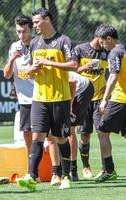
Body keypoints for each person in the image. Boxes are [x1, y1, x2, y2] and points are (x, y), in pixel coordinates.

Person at [17, 8, 77, 190]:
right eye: (33, 22)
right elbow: (26, 72)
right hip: (39, 98)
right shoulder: (34, 43)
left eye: (36, 22)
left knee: (60, 138)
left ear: (48, 19)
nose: (34, 25)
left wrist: (50, 63)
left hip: (59, 98)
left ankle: (66, 176)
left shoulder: (63, 41)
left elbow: (73, 65)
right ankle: (31, 176)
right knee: (37, 137)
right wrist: (32, 70)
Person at [3, 15, 61, 186]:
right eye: (18, 31)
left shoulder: (40, 44)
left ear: (31, 30)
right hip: (25, 100)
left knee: (50, 136)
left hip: (43, 96)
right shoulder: (14, 47)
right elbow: (7, 74)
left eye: (25, 31)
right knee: (28, 136)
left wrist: (32, 69)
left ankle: (56, 173)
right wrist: (13, 58)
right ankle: (32, 172)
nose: (21, 35)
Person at [95, 24, 126, 183]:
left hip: (119, 99)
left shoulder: (114, 52)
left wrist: (104, 99)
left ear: (109, 39)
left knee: (102, 132)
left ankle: (109, 170)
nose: (102, 46)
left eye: (102, 43)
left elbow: (113, 76)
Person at [72, 25, 108, 179]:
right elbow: (71, 72)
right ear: (97, 37)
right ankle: (85, 166)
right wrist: (85, 66)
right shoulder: (80, 49)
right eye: (104, 39)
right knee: (85, 135)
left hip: (99, 99)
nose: (106, 43)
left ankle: (105, 168)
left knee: (102, 133)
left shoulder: (107, 52)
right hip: (83, 98)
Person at [68, 71, 94, 182]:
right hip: (74, 88)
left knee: (69, 128)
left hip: (82, 88)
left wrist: (68, 106)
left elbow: (72, 82)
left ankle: (72, 170)